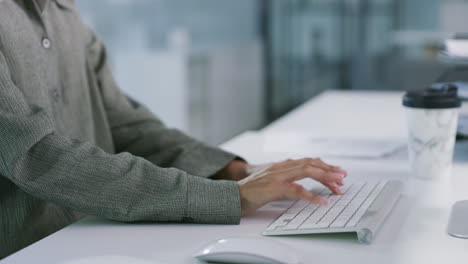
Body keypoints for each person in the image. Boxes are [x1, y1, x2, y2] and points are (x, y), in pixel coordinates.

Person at [0, 0, 348, 259]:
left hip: (95, 239)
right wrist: (229, 198)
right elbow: (36, 155)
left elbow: (124, 123)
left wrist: (232, 171)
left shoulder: (65, 13)